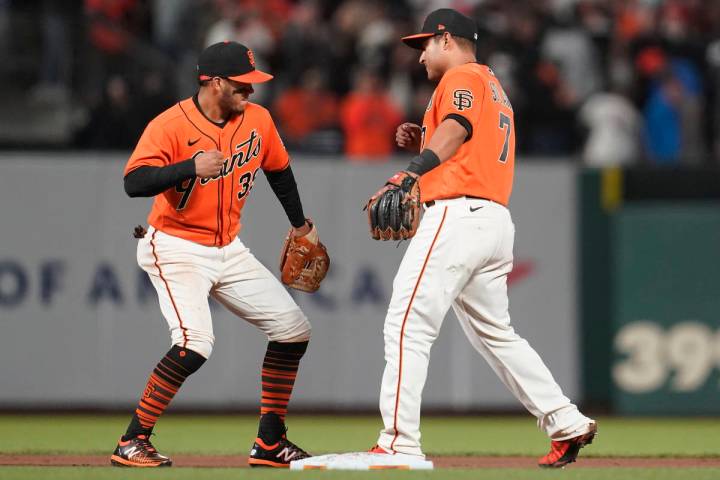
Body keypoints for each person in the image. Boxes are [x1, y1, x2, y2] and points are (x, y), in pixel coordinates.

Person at [368, 9, 596, 468]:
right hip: (491, 221)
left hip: (457, 216)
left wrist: (412, 172)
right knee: (496, 334)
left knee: (407, 323)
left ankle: (398, 443)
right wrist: (425, 139)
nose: (420, 58)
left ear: (446, 38)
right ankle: (565, 420)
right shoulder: (492, 85)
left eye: (425, 46)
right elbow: (469, 138)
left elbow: (459, 128)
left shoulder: (462, 77)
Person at [110, 41, 323, 468]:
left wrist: (301, 224)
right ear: (215, 83)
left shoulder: (258, 120)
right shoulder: (170, 124)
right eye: (243, 84)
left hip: (229, 247)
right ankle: (132, 440)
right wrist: (189, 166)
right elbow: (133, 182)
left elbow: (279, 171)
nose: (251, 90)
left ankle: (269, 442)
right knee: (195, 343)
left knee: (293, 330)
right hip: (175, 245)